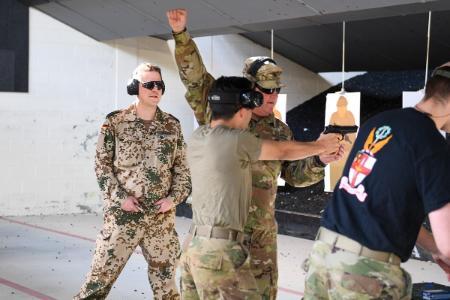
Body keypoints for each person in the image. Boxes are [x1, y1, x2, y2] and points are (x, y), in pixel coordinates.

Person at [166, 9, 344, 299]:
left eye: (276, 90)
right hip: (219, 232)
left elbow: (293, 175)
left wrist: (319, 160)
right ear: (248, 88)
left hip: (259, 237)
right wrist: (181, 36)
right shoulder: (221, 113)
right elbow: (196, 78)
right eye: (265, 89)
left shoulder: (281, 130)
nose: (272, 96)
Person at [181, 76, 340, 299]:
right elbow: (282, 151)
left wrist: (318, 158)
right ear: (243, 109)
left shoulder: (199, 136)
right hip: (220, 252)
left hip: (193, 244)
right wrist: (322, 145)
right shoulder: (235, 140)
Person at [303, 63, 450, 299]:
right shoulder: (432, 144)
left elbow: (382, 206)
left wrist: (434, 248)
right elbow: (448, 243)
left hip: (323, 258)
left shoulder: (379, 122)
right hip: (364, 275)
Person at [74, 63, 191, 300]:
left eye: (159, 84)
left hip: (160, 221)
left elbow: (183, 171)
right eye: (149, 84)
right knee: (97, 284)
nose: (155, 89)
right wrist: (120, 199)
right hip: (122, 219)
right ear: (135, 88)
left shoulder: (172, 125)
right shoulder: (115, 122)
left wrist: (173, 199)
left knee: (167, 288)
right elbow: (102, 166)